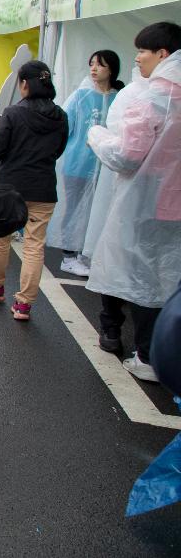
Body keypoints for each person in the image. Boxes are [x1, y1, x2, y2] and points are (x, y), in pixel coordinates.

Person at [85, 22, 181, 383]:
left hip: (143, 205)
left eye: (142, 50)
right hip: (174, 208)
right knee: (170, 281)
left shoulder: (151, 97)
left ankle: (148, 356)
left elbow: (126, 156)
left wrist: (97, 135)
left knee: (140, 281)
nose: (137, 58)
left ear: (163, 54)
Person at [0, 61, 68, 321]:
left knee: (0, 238)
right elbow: (59, 148)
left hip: (10, 186)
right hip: (43, 188)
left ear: (25, 84)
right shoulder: (60, 115)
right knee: (34, 246)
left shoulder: (13, 113)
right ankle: (24, 305)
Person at [47, 51, 125, 276]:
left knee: (96, 211)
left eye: (100, 65)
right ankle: (69, 256)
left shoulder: (118, 97)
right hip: (77, 166)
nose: (94, 69)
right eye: (91, 64)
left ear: (111, 69)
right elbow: (64, 127)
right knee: (74, 210)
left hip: (106, 169)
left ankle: (86, 253)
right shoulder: (80, 96)